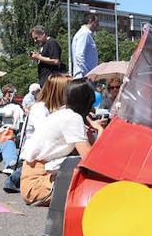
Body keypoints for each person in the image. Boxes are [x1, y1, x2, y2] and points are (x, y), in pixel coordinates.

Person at [19, 78, 102, 206]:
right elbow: (90, 160)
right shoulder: (72, 118)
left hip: (32, 180)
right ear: (89, 101)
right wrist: (100, 130)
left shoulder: (63, 113)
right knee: (99, 188)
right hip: (39, 184)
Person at [70, 12, 99, 77]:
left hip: (86, 76)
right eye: (97, 22)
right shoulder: (84, 34)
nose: (98, 24)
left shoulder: (87, 34)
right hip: (83, 76)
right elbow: (79, 55)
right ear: (90, 21)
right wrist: (87, 74)